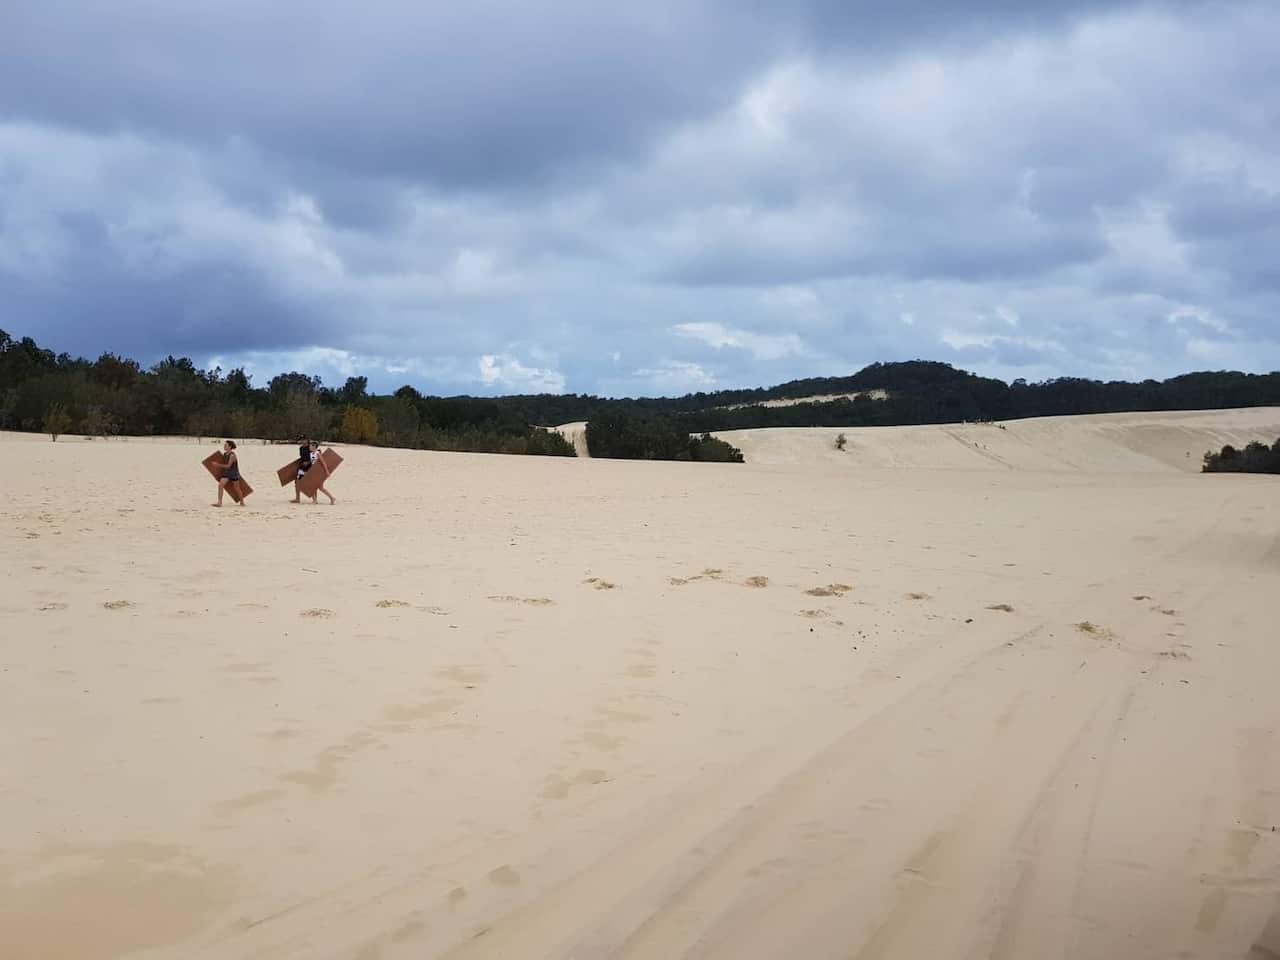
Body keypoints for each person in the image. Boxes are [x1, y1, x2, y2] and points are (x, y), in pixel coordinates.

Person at [294, 440, 336, 505]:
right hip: (313, 471)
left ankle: (331, 498)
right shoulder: (311, 454)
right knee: (313, 486)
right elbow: (311, 463)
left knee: (320, 487)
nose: (309, 447)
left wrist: (327, 471)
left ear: (314, 447)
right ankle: (316, 500)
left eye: (311, 446)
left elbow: (323, 463)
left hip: (318, 472)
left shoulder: (317, 453)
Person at [213, 440, 244, 508]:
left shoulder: (232, 455)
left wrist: (217, 465)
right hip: (227, 473)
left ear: (230, 446)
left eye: (226, 445)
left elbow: (228, 466)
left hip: (234, 473)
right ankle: (219, 502)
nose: (224, 446)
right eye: (224, 445)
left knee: (237, 488)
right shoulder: (225, 454)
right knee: (220, 485)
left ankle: (242, 502)